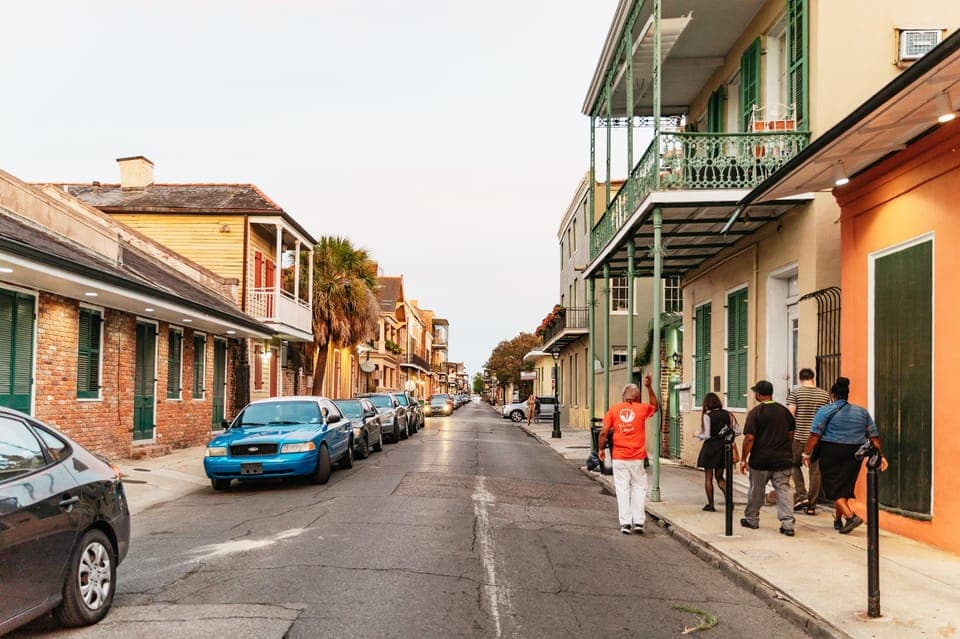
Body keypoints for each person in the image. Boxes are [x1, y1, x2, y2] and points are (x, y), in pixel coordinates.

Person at [803, 377, 887, 534]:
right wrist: (880, 455)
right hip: (855, 453)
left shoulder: (825, 411)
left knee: (832, 487)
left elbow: (815, 434)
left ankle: (850, 517)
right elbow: (873, 436)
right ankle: (837, 519)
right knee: (844, 485)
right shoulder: (862, 412)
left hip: (831, 451)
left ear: (832, 395)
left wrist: (806, 453)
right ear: (847, 395)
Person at [598, 376, 659, 535]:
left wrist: (601, 449)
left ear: (623, 396)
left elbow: (604, 431)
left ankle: (625, 523)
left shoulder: (614, 409)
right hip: (637, 456)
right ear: (637, 397)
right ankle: (638, 521)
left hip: (619, 456)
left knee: (622, 489)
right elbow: (655, 406)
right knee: (639, 487)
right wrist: (649, 387)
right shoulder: (641, 408)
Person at [739, 380, 797, 537]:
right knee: (784, 490)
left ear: (758, 394)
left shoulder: (755, 413)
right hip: (783, 459)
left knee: (756, 490)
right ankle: (788, 524)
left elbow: (749, 438)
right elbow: (791, 434)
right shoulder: (784, 412)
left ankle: (752, 519)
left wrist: (744, 458)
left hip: (761, 460)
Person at [786, 368, 831, 515]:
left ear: (800, 378)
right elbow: (827, 417)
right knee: (815, 471)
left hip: (799, 437)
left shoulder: (795, 393)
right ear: (813, 378)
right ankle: (811, 506)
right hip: (817, 439)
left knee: (793, 464)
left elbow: (790, 416)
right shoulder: (824, 395)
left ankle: (802, 495)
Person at [695, 393, 739, 512]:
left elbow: (707, 435)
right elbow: (738, 431)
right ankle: (729, 502)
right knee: (720, 477)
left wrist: (698, 435)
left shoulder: (707, 416)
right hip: (724, 448)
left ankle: (711, 505)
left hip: (710, 449)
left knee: (708, 477)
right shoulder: (728, 414)